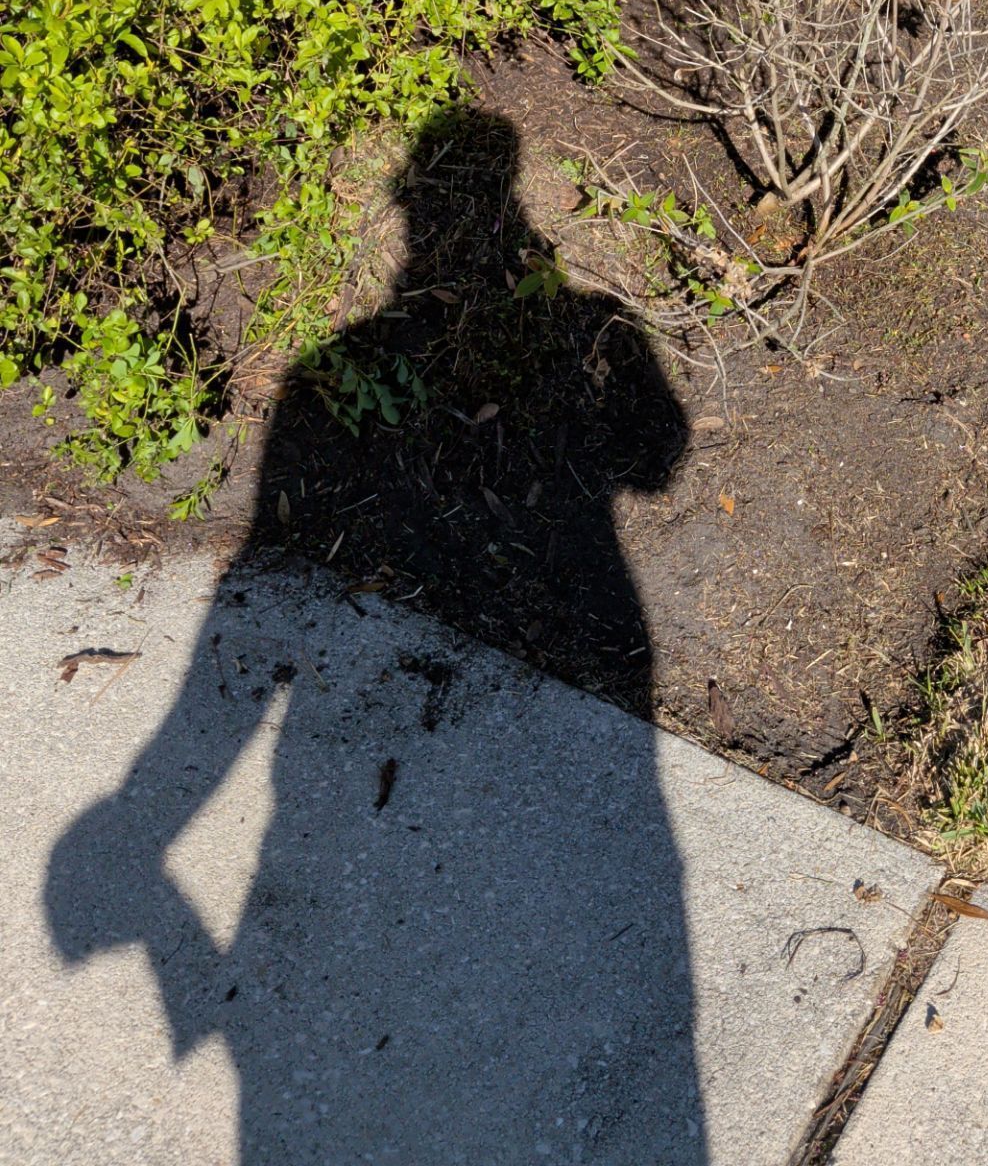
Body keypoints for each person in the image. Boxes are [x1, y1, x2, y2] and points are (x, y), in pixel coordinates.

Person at [46, 106, 706, 1163]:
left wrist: (144, 816)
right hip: (594, 646)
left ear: (401, 213)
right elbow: (659, 459)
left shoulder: (328, 372)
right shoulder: (593, 325)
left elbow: (257, 578)